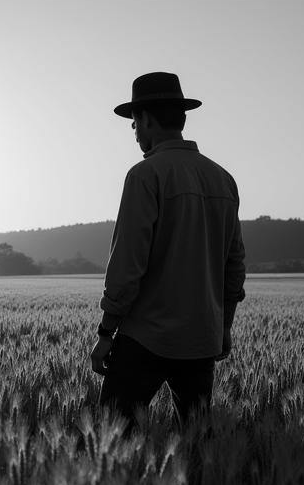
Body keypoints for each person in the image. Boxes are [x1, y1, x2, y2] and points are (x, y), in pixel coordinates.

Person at [91, 71, 246, 431]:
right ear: (182, 118)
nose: (134, 133)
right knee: (197, 441)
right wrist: (223, 328)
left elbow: (128, 265)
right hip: (201, 341)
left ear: (144, 118)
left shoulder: (145, 175)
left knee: (112, 438)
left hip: (146, 337)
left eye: (133, 124)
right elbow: (234, 264)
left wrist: (105, 333)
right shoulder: (223, 178)